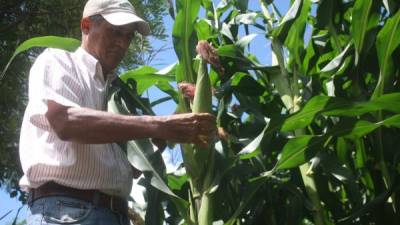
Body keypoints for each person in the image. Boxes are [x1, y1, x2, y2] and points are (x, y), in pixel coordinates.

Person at [19, 0, 216, 224]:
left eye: (129, 36)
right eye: (115, 32)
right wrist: (161, 124)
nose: (122, 43)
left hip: (113, 213)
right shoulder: (58, 62)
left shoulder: (116, 95)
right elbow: (66, 122)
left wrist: (165, 134)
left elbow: (132, 169)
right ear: (86, 26)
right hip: (66, 210)